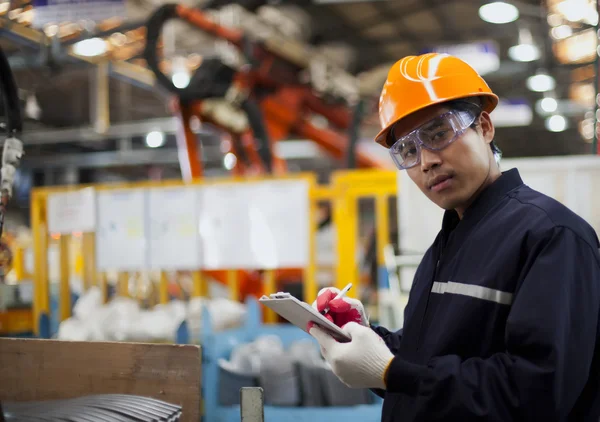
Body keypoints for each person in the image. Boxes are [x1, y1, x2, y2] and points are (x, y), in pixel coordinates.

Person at [308, 53, 600, 421]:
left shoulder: (551, 237)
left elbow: (536, 394)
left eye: (438, 133)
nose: (427, 161)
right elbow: (433, 353)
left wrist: (392, 373)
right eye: (408, 151)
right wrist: (366, 338)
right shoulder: (447, 243)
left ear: (485, 126)